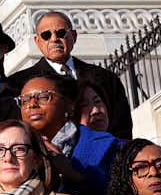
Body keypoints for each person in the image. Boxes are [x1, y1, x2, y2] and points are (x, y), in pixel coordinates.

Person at [13, 69, 120, 195]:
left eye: (44, 97)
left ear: (69, 105)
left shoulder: (107, 145)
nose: (32, 104)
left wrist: (71, 173)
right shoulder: (13, 149)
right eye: (24, 100)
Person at [20, 10, 134, 139]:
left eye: (61, 33)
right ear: (37, 41)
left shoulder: (106, 78)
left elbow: (122, 127)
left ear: (73, 36)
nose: (54, 39)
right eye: (46, 35)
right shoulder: (22, 83)